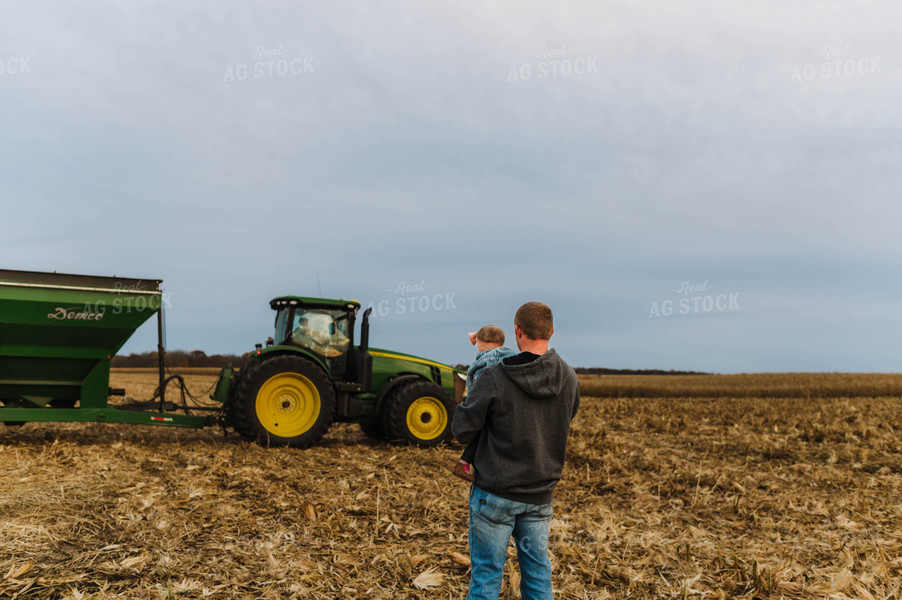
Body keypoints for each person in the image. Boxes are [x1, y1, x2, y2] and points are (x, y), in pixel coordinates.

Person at [452, 302, 580, 600]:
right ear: (551, 331)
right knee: (537, 576)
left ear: (517, 331)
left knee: (486, 580)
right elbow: (562, 420)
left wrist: (466, 398)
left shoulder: (494, 377)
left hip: (494, 496)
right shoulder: (570, 378)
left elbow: (462, 432)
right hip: (539, 498)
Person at [451, 325, 516, 483]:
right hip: (508, 407)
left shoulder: (483, 364)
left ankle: (463, 463)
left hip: (488, 404)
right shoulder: (512, 358)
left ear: (479, 342)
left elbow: (479, 393)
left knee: (482, 429)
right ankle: (464, 462)